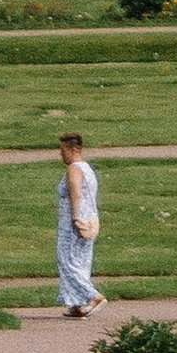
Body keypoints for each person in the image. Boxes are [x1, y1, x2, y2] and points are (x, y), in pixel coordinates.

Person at [54, 131, 102, 317]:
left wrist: (75, 218)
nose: (60, 155)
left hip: (74, 223)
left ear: (71, 149)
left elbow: (75, 193)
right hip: (90, 220)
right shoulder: (88, 169)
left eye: (62, 150)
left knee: (67, 261)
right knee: (81, 262)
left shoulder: (74, 169)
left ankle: (93, 296)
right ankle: (77, 303)